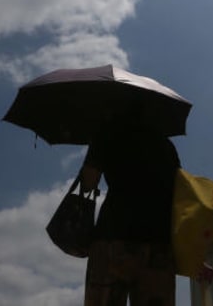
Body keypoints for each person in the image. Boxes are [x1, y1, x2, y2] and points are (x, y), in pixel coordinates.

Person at [80, 111, 181, 306]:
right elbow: (179, 191)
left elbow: (88, 183)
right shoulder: (166, 145)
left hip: (113, 238)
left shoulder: (107, 133)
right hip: (158, 244)